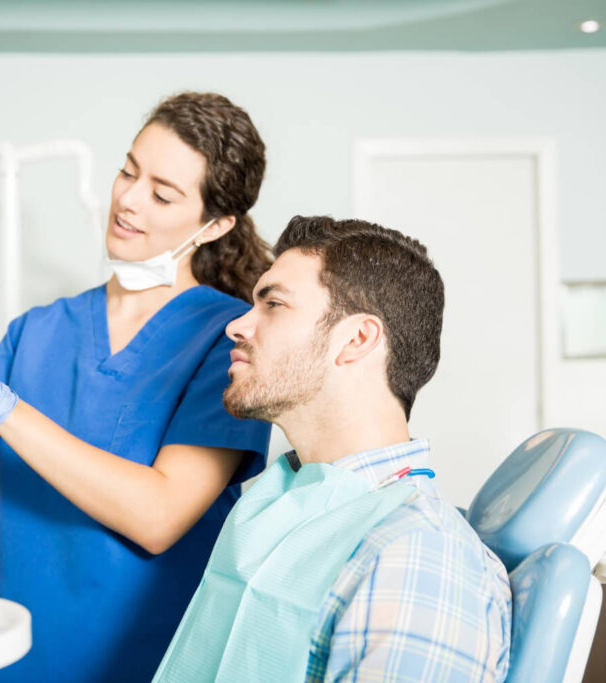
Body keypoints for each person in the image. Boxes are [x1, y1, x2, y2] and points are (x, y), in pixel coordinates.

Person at [0, 92, 273, 682]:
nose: (127, 199)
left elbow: (159, 517)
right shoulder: (38, 331)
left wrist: (2, 406)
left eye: (161, 192)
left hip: (151, 668)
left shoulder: (229, 342)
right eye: (128, 170)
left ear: (216, 224)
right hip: (25, 665)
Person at [154, 216, 512, 682]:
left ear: (356, 340)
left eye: (273, 304)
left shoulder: (415, 556)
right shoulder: (286, 508)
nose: (236, 326)